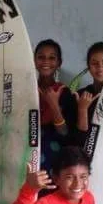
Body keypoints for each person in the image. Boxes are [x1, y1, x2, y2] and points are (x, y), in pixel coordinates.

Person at [35, 39, 77, 179]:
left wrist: (53, 105)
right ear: (34, 60)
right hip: (26, 156)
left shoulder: (64, 93)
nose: (46, 61)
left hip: (53, 160)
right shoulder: (26, 89)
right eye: (41, 57)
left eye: (52, 58)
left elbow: (65, 134)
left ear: (59, 63)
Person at [74, 41, 103, 154]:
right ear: (88, 66)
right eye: (94, 63)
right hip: (87, 160)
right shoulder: (80, 95)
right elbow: (78, 141)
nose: (100, 68)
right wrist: (82, 110)